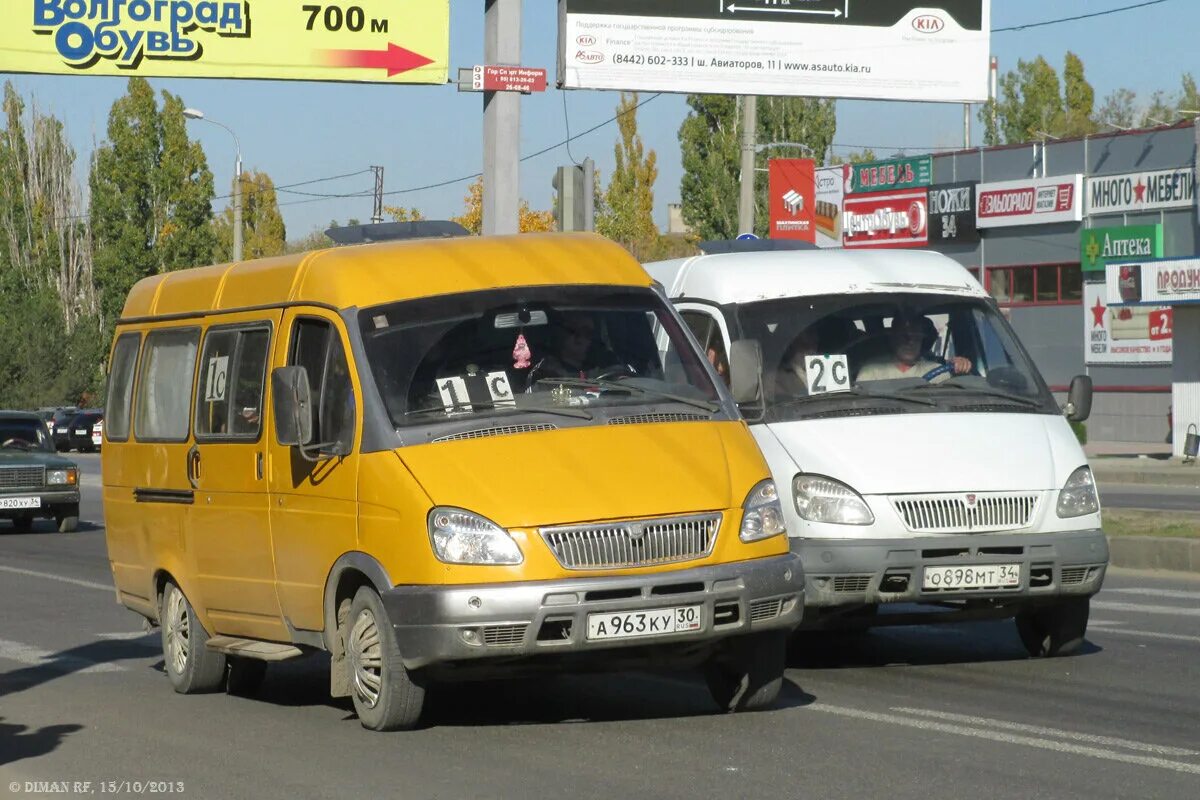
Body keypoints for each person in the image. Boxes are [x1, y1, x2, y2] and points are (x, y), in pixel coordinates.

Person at [855, 310, 972, 383]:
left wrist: (962, 369)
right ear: (893, 338)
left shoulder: (938, 372)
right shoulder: (871, 372)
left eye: (915, 335)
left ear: (922, 339)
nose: (909, 341)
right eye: (903, 335)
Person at [775, 324, 820, 398]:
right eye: (805, 345)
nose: (812, 350)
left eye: (815, 344)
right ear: (790, 346)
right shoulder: (776, 378)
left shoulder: (825, 370)